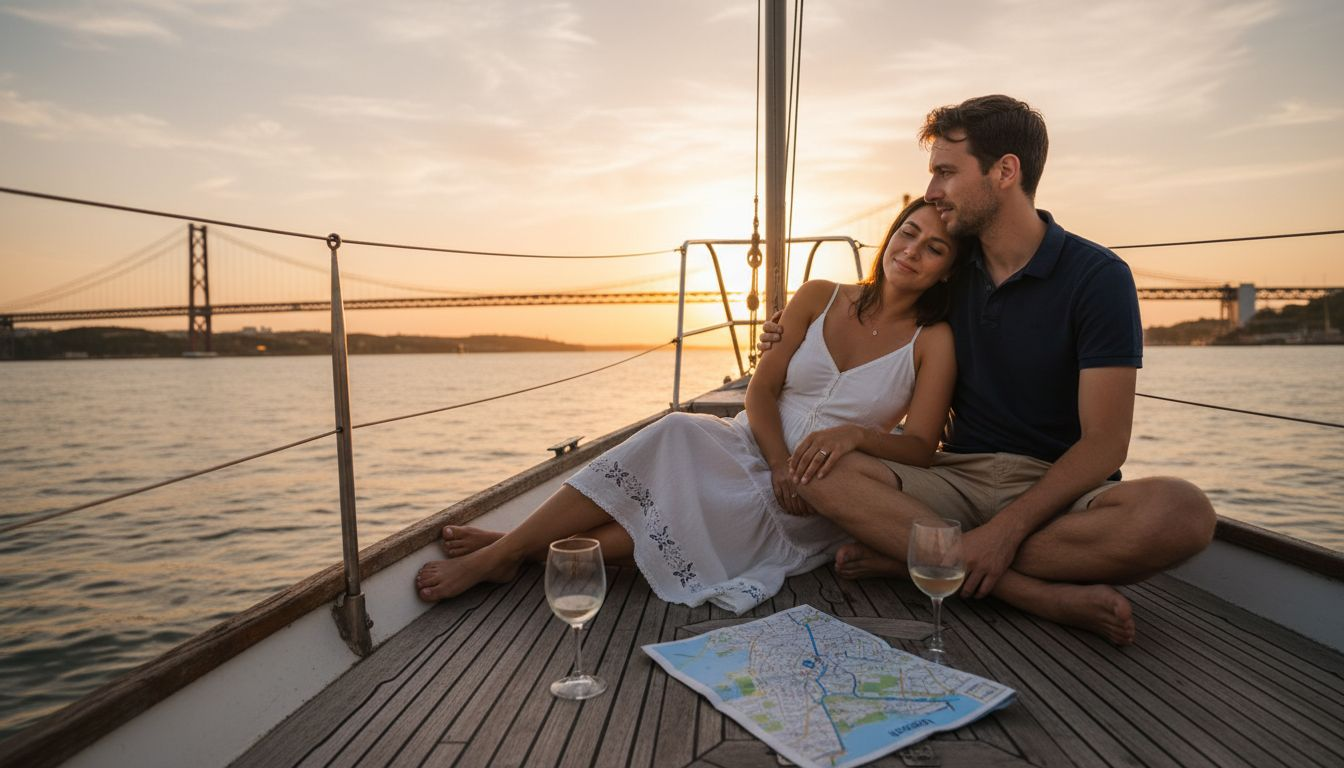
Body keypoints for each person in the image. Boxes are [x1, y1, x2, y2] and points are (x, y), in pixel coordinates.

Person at [758, 95, 1216, 645]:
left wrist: (1005, 531)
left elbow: (1106, 444)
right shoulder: (947, 269)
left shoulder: (1098, 278)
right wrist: (790, 330)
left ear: (1005, 171)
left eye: (946, 173)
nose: (930, 192)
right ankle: (1022, 589)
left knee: (1184, 514)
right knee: (821, 467)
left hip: (1055, 489)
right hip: (954, 477)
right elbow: (874, 308)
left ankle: (912, 555)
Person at [415, 197, 968, 613]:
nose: (912, 251)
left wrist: (852, 437)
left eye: (934, 248)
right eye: (908, 233)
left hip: (821, 488)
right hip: (758, 442)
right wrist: (777, 462)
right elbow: (760, 390)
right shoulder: (820, 294)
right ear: (891, 235)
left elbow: (919, 447)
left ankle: (516, 549)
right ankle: (507, 552)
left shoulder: (933, 340)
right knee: (676, 429)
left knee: (723, 513)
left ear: (948, 270)